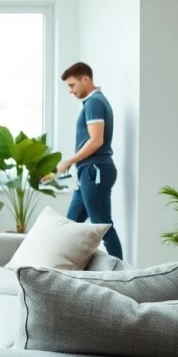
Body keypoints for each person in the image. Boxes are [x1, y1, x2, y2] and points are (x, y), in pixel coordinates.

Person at [57, 62, 123, 260]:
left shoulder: (94, 103)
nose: (70, 90)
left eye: (72, 85)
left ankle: (120, 274)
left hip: (95, 171)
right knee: (70, 224)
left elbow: (96, 140)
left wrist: (69, 161)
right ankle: (63, 269)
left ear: (85, 79)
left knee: (102, 225)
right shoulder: (92, 103)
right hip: (88, 172)